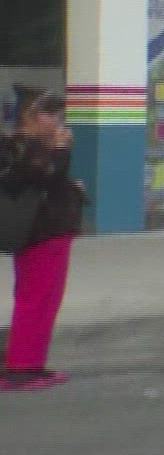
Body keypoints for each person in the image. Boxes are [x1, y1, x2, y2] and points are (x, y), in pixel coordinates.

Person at [1, 89, 84, 392]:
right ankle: (20, 367)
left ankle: (33, 363)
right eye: (48, 113)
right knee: (34, 299)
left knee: (48, 300)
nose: (56, 120)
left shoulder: (39, 146)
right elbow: (40, 177)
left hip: (54, 231)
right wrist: (61, 151)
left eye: (58, 113)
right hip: (38, 233)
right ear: (28, 117)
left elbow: (50, 180)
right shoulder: (20, 145)